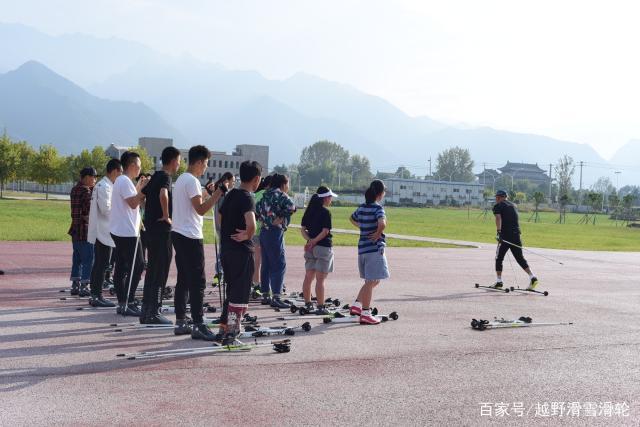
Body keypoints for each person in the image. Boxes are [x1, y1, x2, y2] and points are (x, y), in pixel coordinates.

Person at [171, 145, 224, 340]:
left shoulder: (181, 180)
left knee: (184, 279)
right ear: (199, 162)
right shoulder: (192, 181)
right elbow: (200, 209)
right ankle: (198, 323)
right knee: (198, 281)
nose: (206, 168)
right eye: (206, 164)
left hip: (178, 232)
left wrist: (209, 193)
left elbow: (195, 204)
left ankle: (181, 321)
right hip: (190, 235)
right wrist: (217, 194)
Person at [218, 160, 262, 341]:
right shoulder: (247, 197)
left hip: (226, 249)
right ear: (256, 179)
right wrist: (247, 234)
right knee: (240, 289)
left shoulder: (230, 195)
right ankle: (233, 328)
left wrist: (227, 232)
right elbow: (251, 223)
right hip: (241, 251)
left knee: (231, 288)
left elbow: (219, 217)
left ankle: (224, 325)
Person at [140, 146, 181, 324]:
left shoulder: (155, 176)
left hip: (150, 229)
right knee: (160, 270)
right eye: (179, 160)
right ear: (173, 161)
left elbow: (140, 197)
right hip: (162, 231)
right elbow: (164, 194)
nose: (180, 164)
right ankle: (154, 312)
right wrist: (165, 215)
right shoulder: (165, 177)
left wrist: (146, 213)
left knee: (152, 271)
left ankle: (145, 310)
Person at [109, 151, 149, 316]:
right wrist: (145, 190)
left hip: (121, 230)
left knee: (122, 267)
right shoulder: (124, 181)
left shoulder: (123, 181)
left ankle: (123, 301)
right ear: (132, 165)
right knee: (137, 265)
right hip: (127, 232)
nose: (140, 169)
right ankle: (128, 300)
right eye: (139, 166)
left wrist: (139, 188)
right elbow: (133, 203)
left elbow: (132, 199)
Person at [349, 180, 390, 325]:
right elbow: (382, 223)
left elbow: (352, 218)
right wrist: (378, 233)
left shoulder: (362, 208)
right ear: (380, 194)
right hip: (374, 249)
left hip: (362, 249)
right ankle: (365, 313)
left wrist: (363, 226)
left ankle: (357, 305)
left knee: (374, 280)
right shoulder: (378, 208)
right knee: (371, 281)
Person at [256, 173, 296, 308]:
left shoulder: (264, 195)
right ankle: (277, 297)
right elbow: (292, 207)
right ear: (283, 184)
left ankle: (265, 294)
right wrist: (280, 216)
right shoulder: (280, 195)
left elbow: (256, 210)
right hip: (275, 232)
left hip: (263, 232)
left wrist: (266, 219)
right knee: (279, 264)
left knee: (266, 264)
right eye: (288, 184)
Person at [87, 159, 122, 307]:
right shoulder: (105, 187)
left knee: (100, 264)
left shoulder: (105, 185)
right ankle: (97, 295)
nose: (120, 176)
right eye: (120, 173)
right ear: (114, 171)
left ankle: (95, 294)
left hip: (103, 230)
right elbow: (106, 209)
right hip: (104, 231)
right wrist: (120, 208)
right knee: (102, 264)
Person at [300, 186, 337, 315]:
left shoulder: (309, 211)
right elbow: (325, 231)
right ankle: (321, 306)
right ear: (325, 198)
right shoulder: (326, 212)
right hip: (323, 247)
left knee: (308, 277)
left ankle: (308, 303)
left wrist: (310, 241)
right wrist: (315, 241)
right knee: (320, 280)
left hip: (310, 248)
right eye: (330, 197)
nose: (331, 199)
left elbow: (303, 229)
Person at [492, 190, 539, 290]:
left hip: (505, 236)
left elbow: (498, 218)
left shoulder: (498, 206)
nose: (496, 199)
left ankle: (499, 282)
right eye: (496, 197)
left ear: (502, 197)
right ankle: (532, 277)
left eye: (497, 197)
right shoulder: (513, 205)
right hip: (517, 235)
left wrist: (499, 232)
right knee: (520, 258)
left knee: (499, 258)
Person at [68, 167, 98, 297]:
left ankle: (75, 284)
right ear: (86, 177)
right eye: (94, 177)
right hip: (85, 230)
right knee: (89, 258)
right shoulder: (86, 192)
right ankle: (85, 286)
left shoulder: (74, 189)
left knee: (77, 258)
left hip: (75, 229)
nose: (95, 180)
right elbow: (91, 212)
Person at [252, 175, 272, 293]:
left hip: (253, 229)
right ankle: (257, 283)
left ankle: (254, 281)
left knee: (255, 258)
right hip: (261, 229)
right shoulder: (266, 194)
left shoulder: (256, 194)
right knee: (260, 259)